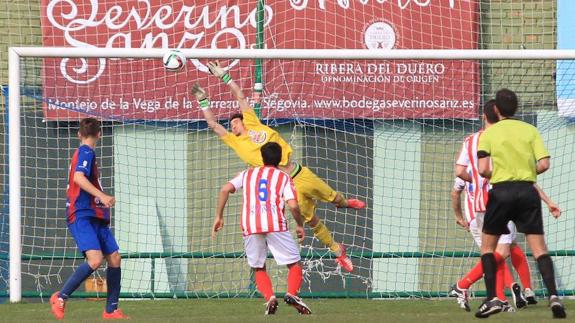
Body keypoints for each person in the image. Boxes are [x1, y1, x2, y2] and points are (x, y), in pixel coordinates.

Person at [193, 61, 366, 272]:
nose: (232, 125)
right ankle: (338, 251)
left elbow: (239, 95)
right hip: (286, 185)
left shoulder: (253, 122)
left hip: (299, 172)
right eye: (231, 125)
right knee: (311, 221)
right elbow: (213, 125)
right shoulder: (236, 143)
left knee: (334, 198)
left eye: (235, 122)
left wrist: (223, 76)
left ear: (243, 121)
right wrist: (203, 102)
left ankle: (344, 203)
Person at [449, 100, 560, 312]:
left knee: (495, 252)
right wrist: (547, 201)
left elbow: (459, 174)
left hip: (475, 209)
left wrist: (473, 188)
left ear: (484, 116)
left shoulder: (470, 140)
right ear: (500, 115)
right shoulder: (501, 138)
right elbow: (522, 176)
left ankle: (499, 297)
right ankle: (464, 285)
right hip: (499, 202)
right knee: (505, 251)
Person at [475, 89, 566, 319]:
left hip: (501, 192)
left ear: (496, 110)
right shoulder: (531, 130)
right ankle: (554, 296)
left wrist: (502, 173)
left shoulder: (489, 134)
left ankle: (492, 299)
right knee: (539, 250)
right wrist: (526, 171)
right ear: (516, 108)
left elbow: (483, 169)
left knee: (487, 248)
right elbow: (544, 164)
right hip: (528, 192)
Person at [212, 142, 311, 315]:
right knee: (294, 263)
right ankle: (291, 294)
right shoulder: (283, 177)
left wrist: (219, 216)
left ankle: (270, 298)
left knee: (259, 267)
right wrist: (300, 225)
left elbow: (225, 189)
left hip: (251, 224)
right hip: (275, 223)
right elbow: (294, 206)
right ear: (280, 159)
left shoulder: (247, 173)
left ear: (262, 158)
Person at [50, 118, 128, 320]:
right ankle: (60, 296)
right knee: (95, 260)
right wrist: (102, 196)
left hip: (95, 214)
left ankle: (111, 310)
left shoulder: (85, 152)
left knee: (115, 258)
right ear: (99, 134)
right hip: (82, 214)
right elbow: (78, 177)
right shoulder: (85, 151)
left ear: (79, 133)